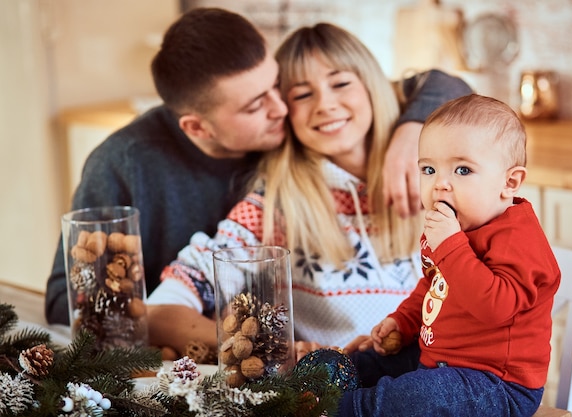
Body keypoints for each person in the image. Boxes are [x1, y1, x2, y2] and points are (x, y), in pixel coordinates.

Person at [44, 7, 472, 327]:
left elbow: (439, 83)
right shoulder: (125, 163)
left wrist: (414, 131)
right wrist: (210, 334)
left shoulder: (326, 131)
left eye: (275, 86)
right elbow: (70, 297)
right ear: (199, 127)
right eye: (257, 103)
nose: (282, 107)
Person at [146, 22, 472, 359]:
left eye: (341, 83)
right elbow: (160, 312)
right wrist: (272, 350)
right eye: (302, 94)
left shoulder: (440, 178)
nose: (325, 105)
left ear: (374, 86)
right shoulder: (275, 205)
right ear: (285, 112)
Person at [339, 94, 561, 417]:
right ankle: (325, 381)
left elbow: (495, 307)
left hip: (496, 384)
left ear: (509, 182)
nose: (440, 184)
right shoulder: (450, 228)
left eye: (462, 170)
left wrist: (450, 246)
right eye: (428, 169)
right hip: (440, 360)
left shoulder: (520, 240)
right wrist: (402, 321)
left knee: (412, 398)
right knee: (372, 361)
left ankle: (338, 409)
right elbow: (434, 286)